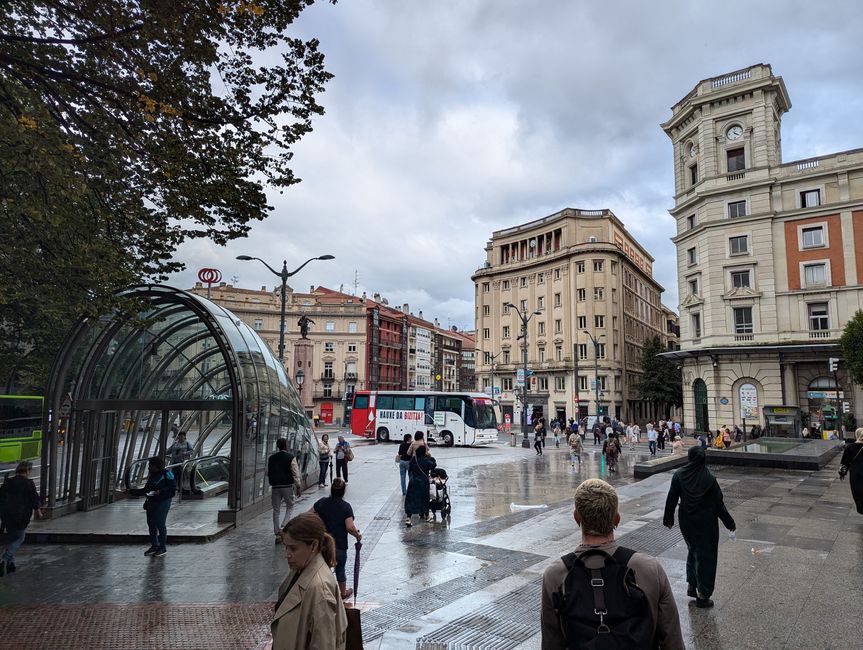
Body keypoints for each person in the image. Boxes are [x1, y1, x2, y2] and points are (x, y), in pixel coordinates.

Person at [541, 479, 684, 649]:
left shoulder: (556, 575)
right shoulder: (649, 569)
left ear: (576, 517)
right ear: (616, 519)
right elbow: (672, 641)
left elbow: (551, 643)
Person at [663, 446, 736, 608]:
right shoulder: (709, 479)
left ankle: (692, 584)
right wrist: (729, 523)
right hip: (706, 523)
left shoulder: (679, 475)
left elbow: (671, 499)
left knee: (693, 549)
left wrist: (668, 519)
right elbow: (719, 505)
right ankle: (703, 595)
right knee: (707, 557)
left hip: (687, 521)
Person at [272, 513, 347, 650]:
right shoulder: (300, 569)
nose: (287, 554)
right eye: (286, 547)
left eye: (293, 548)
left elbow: (324, 644)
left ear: (313, 546)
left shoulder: (319, 588)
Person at [312, 478, 362, 599]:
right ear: (343, 491)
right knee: (340, 569)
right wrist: (358, 536)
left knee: (322, 568)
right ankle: (343, 593)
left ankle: (321, 592)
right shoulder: (345, 507)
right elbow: (350, 527)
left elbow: (309, 515)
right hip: (339, 544)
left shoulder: (322, 503)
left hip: (323, 543)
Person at [127, 456, 176, 557]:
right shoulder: (152, 476)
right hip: (152, 501)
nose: (149, 468)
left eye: (151, 466)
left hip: (163, 501)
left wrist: (161, 491)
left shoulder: (167, 474)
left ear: (156, 466)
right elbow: (145, 490)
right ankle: (155, 545)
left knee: (160, 523)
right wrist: (131, 491)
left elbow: (172, 488)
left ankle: (162, 547)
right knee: (151, 524)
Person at [0, 462, 42, 575]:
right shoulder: (28, 483)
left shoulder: (8, 482)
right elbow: (34, 498)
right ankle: (5, 558)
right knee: (20, 538)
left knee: (12, 537)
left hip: (7, 515)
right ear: (27, 471)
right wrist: (38, 510)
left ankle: (11, 564)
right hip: (21, 516)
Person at [268, 438, 302, 544]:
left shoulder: (271, 458)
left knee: (276, 510)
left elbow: (268, 472)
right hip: (287, 486)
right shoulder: (291, 457)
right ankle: (283, 527)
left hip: (275, 486)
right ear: (286, 445)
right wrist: (298, 486)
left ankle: (276, 531)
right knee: (290, 505)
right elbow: (295, 473)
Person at [404, 445, 436, 527]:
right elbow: (433, 465)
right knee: (424, 499)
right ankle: (427, 516)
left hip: (413, 482)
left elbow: (409, 469)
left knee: (411, 500)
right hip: (423, 483)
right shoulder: (425, 460)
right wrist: (430, 458)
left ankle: (408, 518)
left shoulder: (413, 459)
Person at [839, 428, 863, 514]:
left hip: (856, 475)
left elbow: (844, 462)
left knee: (859, 493)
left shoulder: (850, 447)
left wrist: (842, 473)